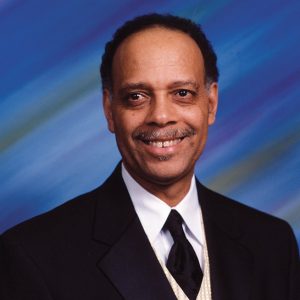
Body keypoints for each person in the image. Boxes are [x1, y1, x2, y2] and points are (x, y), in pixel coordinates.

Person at [0, 13, 299, 300]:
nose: (161, 116)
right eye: (137, 96)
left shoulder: (271, 245)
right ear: (109, 110)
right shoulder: (33, 256)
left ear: (211, 103)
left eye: (182, 93)